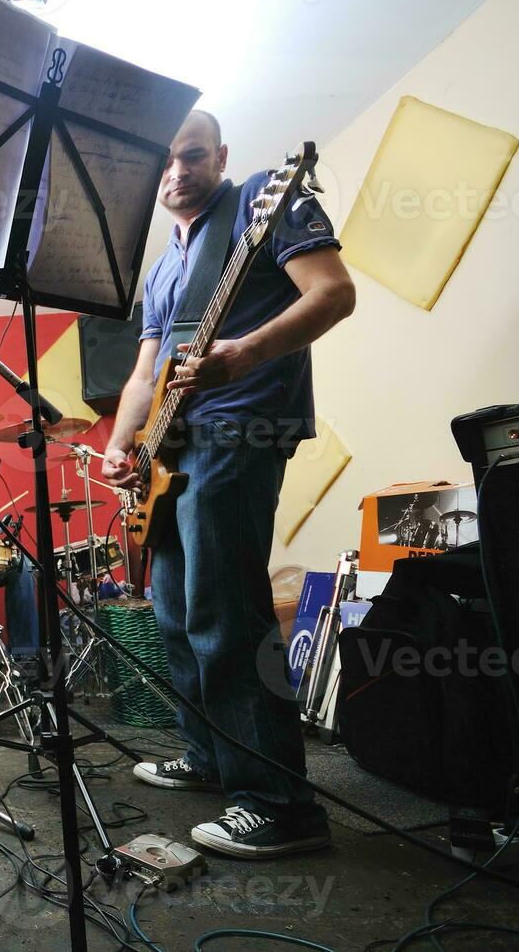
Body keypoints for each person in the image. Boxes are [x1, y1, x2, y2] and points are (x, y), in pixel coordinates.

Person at [101, 111, 355, 859]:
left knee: (227, 611)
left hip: (242, 428)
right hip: (172, 450)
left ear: (221, 156)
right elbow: (146, 373)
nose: (176, 173)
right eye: (166, 163)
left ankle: (281, 805)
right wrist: (123, 447)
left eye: (191, 156)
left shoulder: (258, 204)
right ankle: (213, 756)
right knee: (176, 612)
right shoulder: (159, 268)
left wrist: (239, 356)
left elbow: (334, 294)